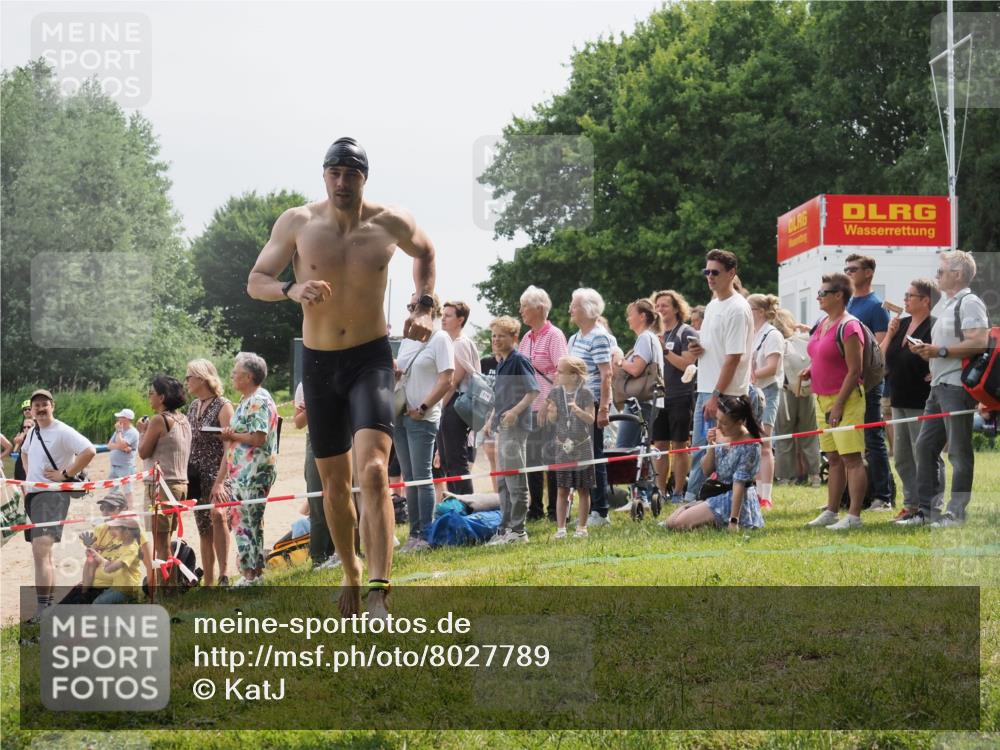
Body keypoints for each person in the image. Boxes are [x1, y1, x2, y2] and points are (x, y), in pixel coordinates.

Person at [247, 137, 435, 617]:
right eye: (334, 172)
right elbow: (257, 281)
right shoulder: (298, 222)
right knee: (333, 485)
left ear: (363, 177)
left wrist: (426, 305)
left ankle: (379, 589)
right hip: (320, 362)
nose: (341, 182)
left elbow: (426, 252)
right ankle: (350, 572)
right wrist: (292, 288)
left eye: (351, 173)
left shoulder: (389, 221)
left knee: (372, 471)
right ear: (324, 175)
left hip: (370, 358)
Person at [906, 250, 989, 527]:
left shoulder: (970, 302)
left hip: (956, 387)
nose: (937, 276)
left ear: (957, 274)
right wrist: (930, 355)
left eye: (941, 272)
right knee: (925, 446)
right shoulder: (949, 305)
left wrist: (938, 351)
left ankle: (956, 513)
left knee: (958, 451)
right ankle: (927, 512)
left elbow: (978, 342)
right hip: (939, 386)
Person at [20, 389, 97, 620]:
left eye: (45, 404)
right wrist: (28, 480)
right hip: (34, 496)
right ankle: (47, 606)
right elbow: (24, 453)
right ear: (31, 410)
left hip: (52, 496)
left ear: (52, 405)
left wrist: (66, 474)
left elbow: (89, 450)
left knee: (40, 550)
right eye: (37, 406)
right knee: (44, 554)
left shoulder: (62, 430)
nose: (41, 408)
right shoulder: (33, 432)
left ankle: (43, 609)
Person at [684, 250, 754, 503]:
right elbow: (713, 348)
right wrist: (697, 348)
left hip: (726, 393)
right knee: (703, 449)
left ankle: (702, 501)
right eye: (707, 272)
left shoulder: (737, 308)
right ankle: (697, 499)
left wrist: (715, 396)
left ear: (731, 273)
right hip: (707, 388)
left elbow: (734, 358)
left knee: (718, 451)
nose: (710, 277)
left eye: (715, 272)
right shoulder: (713, 305)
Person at [802, 273, 868, 530]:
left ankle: (854, 516)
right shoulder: (823, 322)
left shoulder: (849, 326)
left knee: (852, 458)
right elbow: (820, 354)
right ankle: (831, 510)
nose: (818, 297)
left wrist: (839, 404)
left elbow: (855, 370)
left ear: (839, 295)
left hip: (846, 400)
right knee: (833, 458)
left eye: (822, 293)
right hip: (821, 399)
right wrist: (810, 369)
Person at [394, 293, 454, 552]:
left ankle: (425, 534)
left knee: (422, 476)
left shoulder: (440, 338)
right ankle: (413, 534)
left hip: (422, 417)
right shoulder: (408, 339)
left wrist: (424, 407)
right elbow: (402, 371)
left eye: (414, 306)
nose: (410, 310)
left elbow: (446, 379)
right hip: (400, 414)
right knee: (409, 477)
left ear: (429, 309)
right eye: (409, 306)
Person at [881, 279, 942, 522]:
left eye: (910, 296)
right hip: (898, 396)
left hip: (923, 399)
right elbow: (882, 357)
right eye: (905, 295)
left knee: (925, 454)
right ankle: (911, 504)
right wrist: (891, 333)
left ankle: (931, 506)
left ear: (926, 301)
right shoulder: (901, 324)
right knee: (903, 455)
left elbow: (944, 354)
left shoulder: (935, 326)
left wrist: (936, 370)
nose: (905, 299)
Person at [664, 394, 764, 531]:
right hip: (718, 493)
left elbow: (739, 484)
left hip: (736, 499)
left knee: (679, 524)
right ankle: (705, 521)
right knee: (671, 523)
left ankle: (715, 523)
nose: (719, 427)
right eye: (717, 420)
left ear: (740, 421)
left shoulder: (750, 446)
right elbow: (706, 470)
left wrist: (734, 521)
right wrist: (712, 445)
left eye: (724, 423)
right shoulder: (722, 435)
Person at [221, 352, 279, 586]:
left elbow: (258, 438)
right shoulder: (248, 399)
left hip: (253, 473)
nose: (232, 377)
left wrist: (230, 434)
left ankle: (253, 574)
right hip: (243, 474)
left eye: (235, 373)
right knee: (241, 521)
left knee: (249, 523)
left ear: (248, 376)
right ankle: (250, 573)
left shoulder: (257, 400)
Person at [484, 316, 539, 545]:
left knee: (515, 480)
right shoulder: (501, 362)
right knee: (503, 481)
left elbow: (532, 391)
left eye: (501, 336)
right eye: (494, 335)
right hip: (502, 427)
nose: (496, 340)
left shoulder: (518, 360)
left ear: (514, 338)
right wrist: (491, 419)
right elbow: (501, 397)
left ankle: (518, 530)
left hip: (515, 427)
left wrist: (515, 411)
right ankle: (505, 528)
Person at [843, 254, 892, 509]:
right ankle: (850, 496)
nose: (849, 272)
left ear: (869, 273)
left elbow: (881, 346)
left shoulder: (876, 306)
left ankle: (882, 496)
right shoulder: (847, 302)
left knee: (873, 438)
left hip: (870, 381)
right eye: (846, 269)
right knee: (847, 441)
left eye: (854, 269)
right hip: (847, 381)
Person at [518, 285, 568, 522]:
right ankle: (535, 508)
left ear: (539, 308)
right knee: (533, 460)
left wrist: (550, 402)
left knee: (553, 459)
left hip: (551, 407)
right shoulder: (526, 338)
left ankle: (554, 511)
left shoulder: (554, 335)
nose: (521, 311)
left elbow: (562, 371)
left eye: (524, 306)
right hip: (530, 407)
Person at [185, 359, 235, 586]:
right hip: (196, 476)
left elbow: (230, 448)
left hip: (219, 473)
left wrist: (220, 482)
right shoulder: (193, 406)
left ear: (202, 378)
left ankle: (224, 574)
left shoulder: (224, 405)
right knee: (203, 526)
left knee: (218, 515)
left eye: (189, 377)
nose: (186, 381)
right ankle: (209, 582)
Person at [137, 375, 192, 585]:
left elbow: (143, 452)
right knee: (167, 539)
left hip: (161, 487)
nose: (149, 397)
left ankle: (166, 590)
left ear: (161, 397)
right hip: (180, 484)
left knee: (161, 543)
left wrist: (142, 432)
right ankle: (173, 586)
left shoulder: (159, 420)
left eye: (151, 393)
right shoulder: (183, 419)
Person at [567, 288, 614, 526]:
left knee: (594, 454)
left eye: (574, 306)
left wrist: (604, 408)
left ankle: (601, 511)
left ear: (587, 310)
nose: (570, 310)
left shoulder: (599, 336)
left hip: (592, 403)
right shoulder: (575, 338)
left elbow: (607, 375)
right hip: (577, 403)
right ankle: (589, 508)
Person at [650, 290, 697, 503]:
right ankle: (660, 492)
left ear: (677, 308)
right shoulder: (652, 334)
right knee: (659, 446)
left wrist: (665, 351)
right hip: (658, 397)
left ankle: (678, 491)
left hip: (681, 395)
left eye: (665, 305)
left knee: (680, 445)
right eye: (657, 306)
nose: (660, 309)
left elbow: (688, 363)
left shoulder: (685, 332)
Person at [747, 294, 791, 510]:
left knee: (765, 444)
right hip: (752, 392)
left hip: (768, 391)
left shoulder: (772, 335)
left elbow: (772, 367)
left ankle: (766, 495)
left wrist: (751, 374)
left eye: (750, 309)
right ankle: (754, 492)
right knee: (753, 444)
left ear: (761, 312)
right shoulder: (751, 334)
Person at [545, 356, 595, 539]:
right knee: (562, 489)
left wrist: (579, 411)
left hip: (582, 446)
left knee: (583, 488)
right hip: (562, 448)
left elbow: (591, 419)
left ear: (574, 376)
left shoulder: (586, 394)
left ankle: (582, 527)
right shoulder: (555, 394)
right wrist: (552, 414)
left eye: (560, 372)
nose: (556, 374)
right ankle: (561, 528)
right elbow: (552, 421)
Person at [438, 300, 482, 496]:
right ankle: (454, 505)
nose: (443, 318)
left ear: (460, 320)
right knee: (447, 462)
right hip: (449, 405)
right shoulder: (449, 342)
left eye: (448, 315)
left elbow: (453, 381)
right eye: (443, 314)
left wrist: (438, 407)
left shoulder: (461, 343)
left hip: (456, 404)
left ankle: (467, 507)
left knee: (456, 461)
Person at [293, 381, 338, 568]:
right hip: (315, 439)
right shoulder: (305, 385)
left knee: (341, 497)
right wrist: (312, 406)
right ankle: (319, 556)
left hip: (342, 436)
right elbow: (298, 423)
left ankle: (341, 552)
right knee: (316, 497)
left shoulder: (342, 375)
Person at [774, 315, 821, 487]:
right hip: (806, 390)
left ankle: (785, 478)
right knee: (809, 436)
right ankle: (815, 475)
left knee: (784, 437)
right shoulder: (804, 340)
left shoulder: (775, 341)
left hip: (785, 393)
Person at [613, 298, 665, 449]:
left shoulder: (644, 337)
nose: (628, 318)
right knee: (637, 449)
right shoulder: (650, 337)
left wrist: (621, 361)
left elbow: (636, 369)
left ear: (642, 317)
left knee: (624, 448)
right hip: (647, 401)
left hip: (640, 401)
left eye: (631, 314)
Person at [106, 408, 140, 507]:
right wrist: (122, 446)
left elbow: (120, 443)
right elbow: (109, 445)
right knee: (112, 490)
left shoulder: (132, 432)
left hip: (126, 467)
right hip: (114, 466)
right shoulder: (118, 431)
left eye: (120, 417)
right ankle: (112, 509)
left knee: (127, 491)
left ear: (126, 419)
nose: (118, 419)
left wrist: (120, 438)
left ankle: (130, 511)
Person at [479, 353, 500, 493]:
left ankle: (506, 496)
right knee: (492, 458)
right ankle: (496, 494)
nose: (495, 340)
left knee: (503, 458)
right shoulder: (485, 362)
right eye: (493, 336)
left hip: (502, 412)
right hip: (486, 414)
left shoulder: (510, 361)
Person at [10, 414, 34, 481]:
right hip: (21, 460)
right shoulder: (21, 435)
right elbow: (15, 450)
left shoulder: (36, 436)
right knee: (20, 480)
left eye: (28, 427)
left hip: (31, 461)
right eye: (24, 427)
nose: (26, 428)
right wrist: (17, 440)